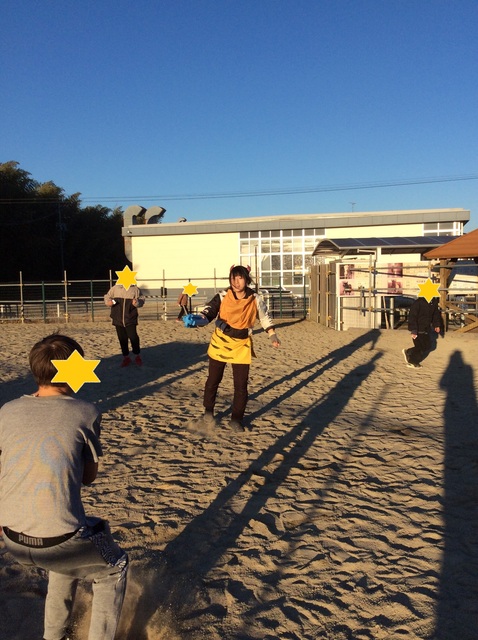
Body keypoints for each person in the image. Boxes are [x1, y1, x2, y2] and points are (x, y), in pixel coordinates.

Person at [0, 334, 128, 640]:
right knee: (115, 566)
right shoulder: (85, 412)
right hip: (59, 539)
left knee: (66, 557)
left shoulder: (7, 410)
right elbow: (88, 477)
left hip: (12, 537)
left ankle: (53, 635)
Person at [187, 265, 281, 432]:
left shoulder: (255, 299)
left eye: (240, 278)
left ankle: (236, 419)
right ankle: (208, 411)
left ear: (247, 279)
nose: (236, 282)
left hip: (241, 345)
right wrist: (198, 320)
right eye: (233, 278)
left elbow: (264, 317)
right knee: (213, 380)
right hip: (220, 342)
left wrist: (272, 335)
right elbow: (209, 312)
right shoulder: (222, 296)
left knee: (241, 385)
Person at [104, 282, 145, 367]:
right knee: (122, 338)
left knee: (133, 337)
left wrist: (137, 302)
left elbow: (142, 299)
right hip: (117, 319)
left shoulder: (135, 289)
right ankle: (126, 357)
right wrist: (109, 302)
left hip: (130, 318)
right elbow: (107, 297)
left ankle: (137, 355)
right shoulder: (115, 288)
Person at [402, 296, 442, 368]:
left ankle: (409, 352)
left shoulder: (434, 302)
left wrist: (436, 325)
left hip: (426, 328)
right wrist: (414, 330)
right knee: (419, 347)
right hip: (417, 328)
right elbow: (412, 316)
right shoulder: (418, 302)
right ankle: (412, 362)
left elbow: (435, 315)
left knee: (427, 346)